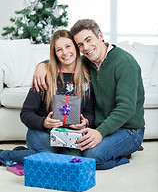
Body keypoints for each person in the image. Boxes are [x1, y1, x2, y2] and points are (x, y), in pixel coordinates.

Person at [32, 19, 145, 170]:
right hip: (101, 126)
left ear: (100, 36)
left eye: (88, 40)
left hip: (129, 130)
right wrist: (42, 65)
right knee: (77, 153)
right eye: (80, 44)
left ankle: (125, 153)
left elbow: (126, 108)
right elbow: (64, 59)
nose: (85, 48)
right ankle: (114, 147)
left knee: (92, 157)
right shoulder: (87, 62)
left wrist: (99, 133)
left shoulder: (125, 63)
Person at [0, 29, 95, 167]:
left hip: (69, 135)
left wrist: (85, 122)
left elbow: (90, 112)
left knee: (72, 163)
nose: (65, 53)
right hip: (41, 132)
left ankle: (24, 153)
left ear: (76, 47)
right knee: (47, 159)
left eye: (68, 46)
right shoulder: (44, 76)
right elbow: (26, 113)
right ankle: (4, 155)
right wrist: (44, 123)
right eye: (59, 49)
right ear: (54, 54)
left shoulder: (86, 78)